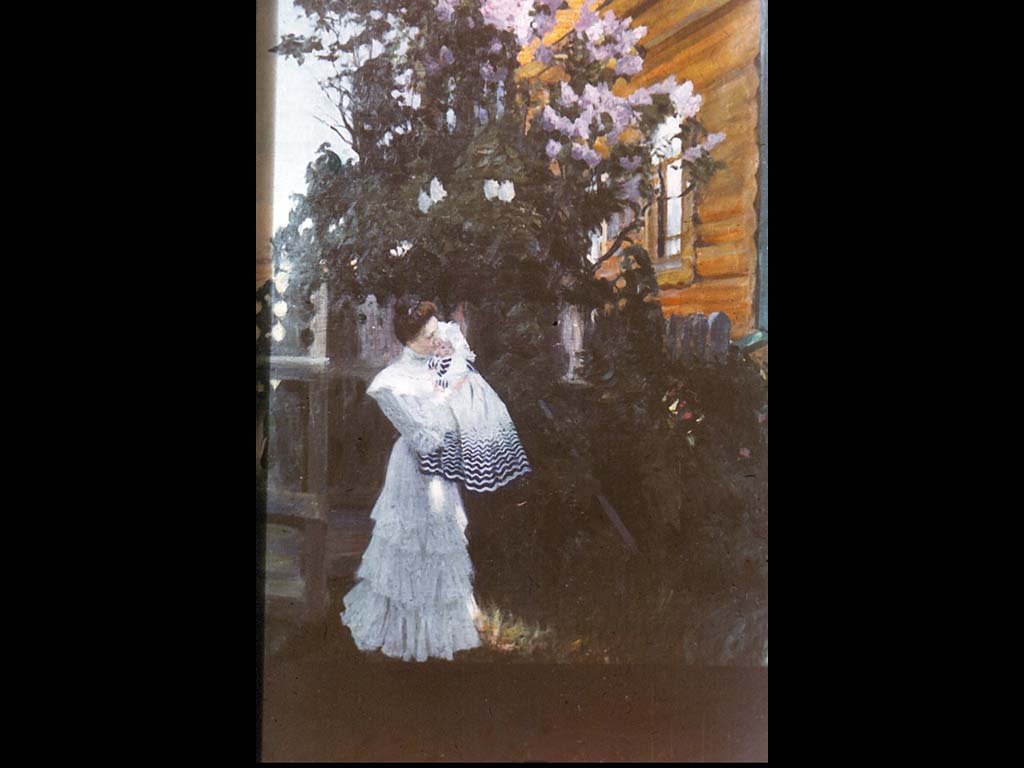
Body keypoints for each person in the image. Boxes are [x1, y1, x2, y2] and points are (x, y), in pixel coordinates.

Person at [339, 298, 529, 662]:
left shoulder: (443, 361)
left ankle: (443, 628)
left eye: (436, 331)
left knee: (440, 543)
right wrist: (450, 396)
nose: (436, 340)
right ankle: (402, 631)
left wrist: (458, 391)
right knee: (410, 545)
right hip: (414, 472)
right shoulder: (391, 383)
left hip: (443, 471)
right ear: (408, 340)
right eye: (428, 337)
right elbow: (424, 440)